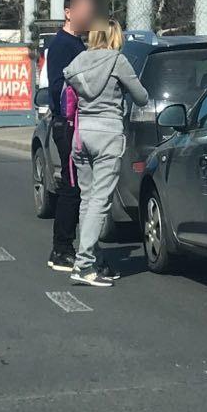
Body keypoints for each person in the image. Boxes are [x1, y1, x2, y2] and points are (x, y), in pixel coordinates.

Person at [62, 20, 148, 287]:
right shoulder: (117, 61)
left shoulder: (77, 62)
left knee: (87, 199)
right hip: (108, 134)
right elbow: (142, 96)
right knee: (101, 201)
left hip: (82, 134)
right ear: (114, 36)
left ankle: (92, 256)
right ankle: (84, 264)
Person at [46, 0, 97, 272]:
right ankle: (61, 248)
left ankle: (70, 246)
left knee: (79, 185)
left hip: (78, 124)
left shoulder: (76, 44)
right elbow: (58, 87)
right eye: (84, 10)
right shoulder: (62, 45)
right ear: (69, 12)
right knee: (73, 185)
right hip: (68, 125)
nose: (89, 15)